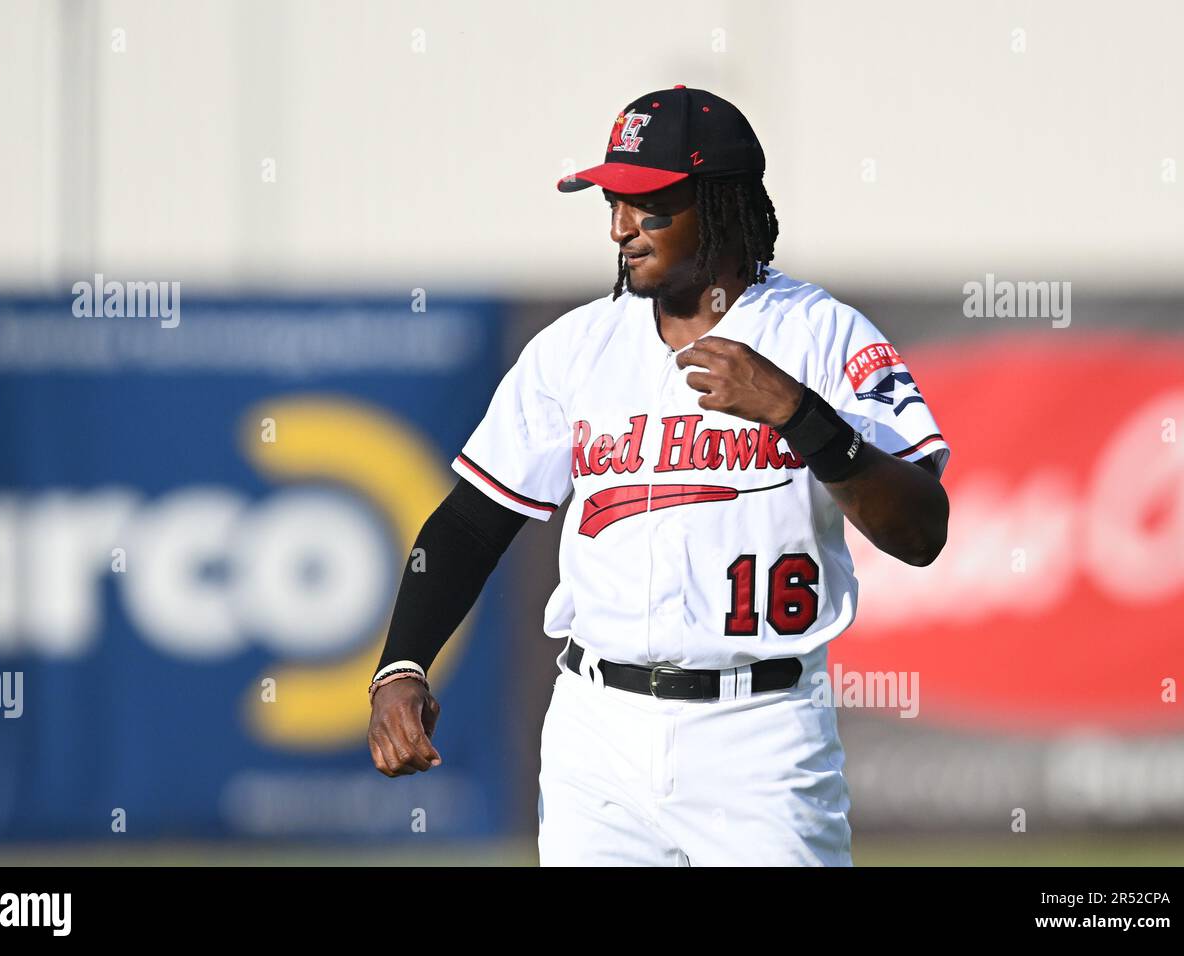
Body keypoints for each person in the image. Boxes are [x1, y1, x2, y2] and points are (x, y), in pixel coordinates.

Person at [367, 86, 950, 866]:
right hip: (596, 733)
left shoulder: (822, 336)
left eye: (648, 205)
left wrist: (799, 415)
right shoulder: (574, 347)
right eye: (613, 202)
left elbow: (921, 532)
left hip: (762, 731)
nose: (620, 228)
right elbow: (471, 524)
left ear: (719, 204)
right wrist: (401, 663)